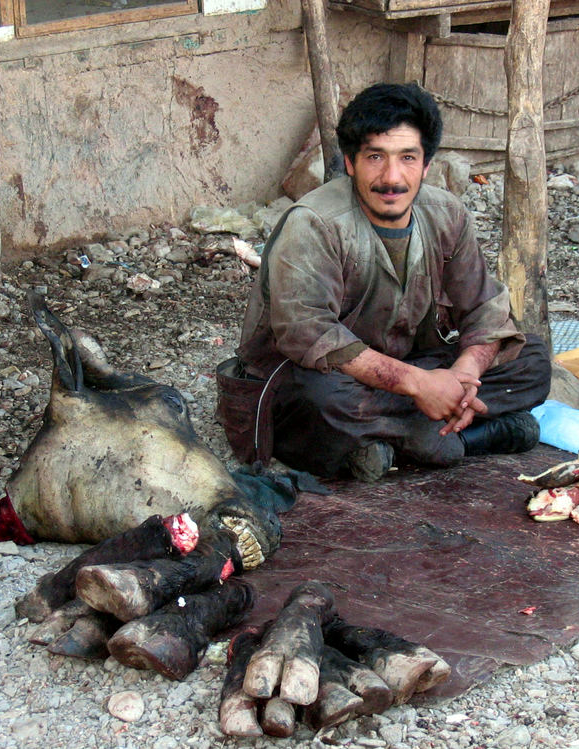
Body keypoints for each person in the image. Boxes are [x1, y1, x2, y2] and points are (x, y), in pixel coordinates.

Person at [232, 82, 552, 481]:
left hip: (401, 372)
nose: (392, 177)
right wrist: (418, 385)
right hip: (319, 376)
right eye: (375, 157)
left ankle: (397, 440)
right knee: (321, 400)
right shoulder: (314, 224)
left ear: (426, 164)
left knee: (534, 360)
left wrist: (461, 376)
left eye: (407, 158)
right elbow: (307, 335)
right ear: (350, 163)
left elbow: (485, 308)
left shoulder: (446, 213)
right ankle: (459, 437)